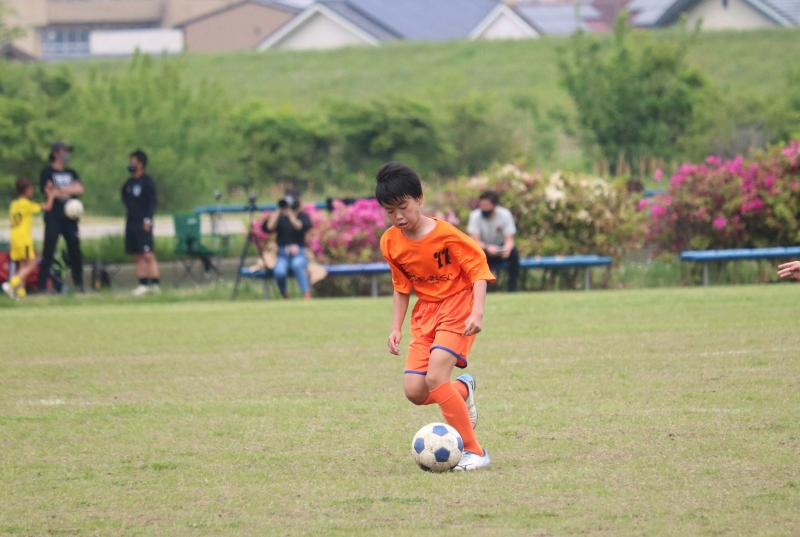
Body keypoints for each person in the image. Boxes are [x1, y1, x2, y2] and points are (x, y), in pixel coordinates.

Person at [377, 161, 495, 471]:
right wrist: (395, 328)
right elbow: (401, 287)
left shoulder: (446, 235)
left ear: (419, 198)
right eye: (390, 211)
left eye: (403, 207)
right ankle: (463, 390)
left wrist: (477, 312)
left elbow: (479, 270)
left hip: (457, 305)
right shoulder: (390, 242)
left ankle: (476, 451)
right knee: (416, 391)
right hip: (426, 313)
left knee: (436, 377)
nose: (399, 216)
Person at [38, 142, 85, 293]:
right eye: (64, 151)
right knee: (49, 250)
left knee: (75, 250)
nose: (66, 154)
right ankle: (42, 286)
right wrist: (70, 190)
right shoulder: (47, 173)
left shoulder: (72, 173)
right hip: (54, 217)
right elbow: (49, 192)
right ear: (55, 153)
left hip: (70, 219)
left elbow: (80, 189)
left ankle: (79, 285)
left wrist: (60, 190)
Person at [2, 178, 55, 299]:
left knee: (22, 265)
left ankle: (21, 293)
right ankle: (11, 284)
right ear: (26, 190)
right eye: (31, 189)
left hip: (14, 238)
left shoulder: (14, 204)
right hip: (23, 238)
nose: (32, 191)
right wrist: (51, 194)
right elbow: (47, 207)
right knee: (31, 264)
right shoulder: (26, 204)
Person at [122, 150, 160, 296]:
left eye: (134, 161)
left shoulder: (147, 182)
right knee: (137, 254)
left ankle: (155, 284)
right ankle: (143, 283)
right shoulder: (129, 183)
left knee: (147, 253)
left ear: (141, 163)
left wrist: (148, 219)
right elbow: (125, 198)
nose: (131, 164)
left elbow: (152, 202)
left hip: (143, 222)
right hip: (131, 222)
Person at [264, 188, 313, 299]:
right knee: (279, 271)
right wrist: (279, 209)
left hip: (299, 253)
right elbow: (269, 227)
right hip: (282, 254)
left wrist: (291, 215)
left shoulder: (303, 216)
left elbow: (300, 226)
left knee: (297, 264)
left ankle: (306, 294)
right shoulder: (280, 217)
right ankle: (284, 294)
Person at [467, 190, 520, 292]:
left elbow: (510, 239)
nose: (484, 208)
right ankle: (481, 289)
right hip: (483, 250)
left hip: (500, 248)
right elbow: (475, 240)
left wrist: (507, 249)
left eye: (486, 205)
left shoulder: (505, 215)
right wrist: (487, 248)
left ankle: (512, 288)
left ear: (495, 205)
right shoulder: (475, 216)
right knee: (476, 255)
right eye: (482, 205)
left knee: (514, 254)